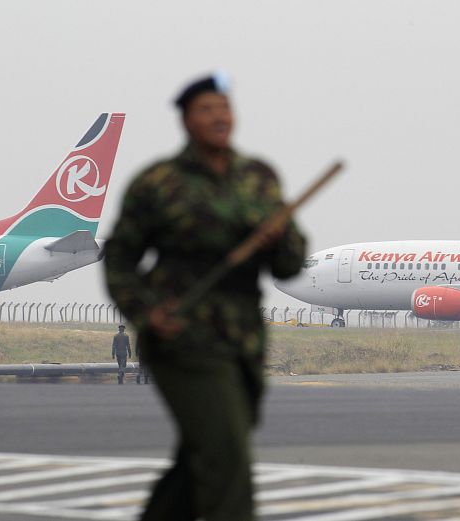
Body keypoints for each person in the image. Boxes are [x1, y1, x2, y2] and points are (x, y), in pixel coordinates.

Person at [104, 72, 306, 521]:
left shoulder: (257, 178)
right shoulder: (158, 183)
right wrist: (145, 313)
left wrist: (278, 238)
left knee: (205, 455)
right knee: (227, 457)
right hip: (183, 337)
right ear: (187, 121)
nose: (220, 117)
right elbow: (119, 260)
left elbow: (290, 266)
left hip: (242, 342)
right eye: (207, 109)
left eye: (225, 107)